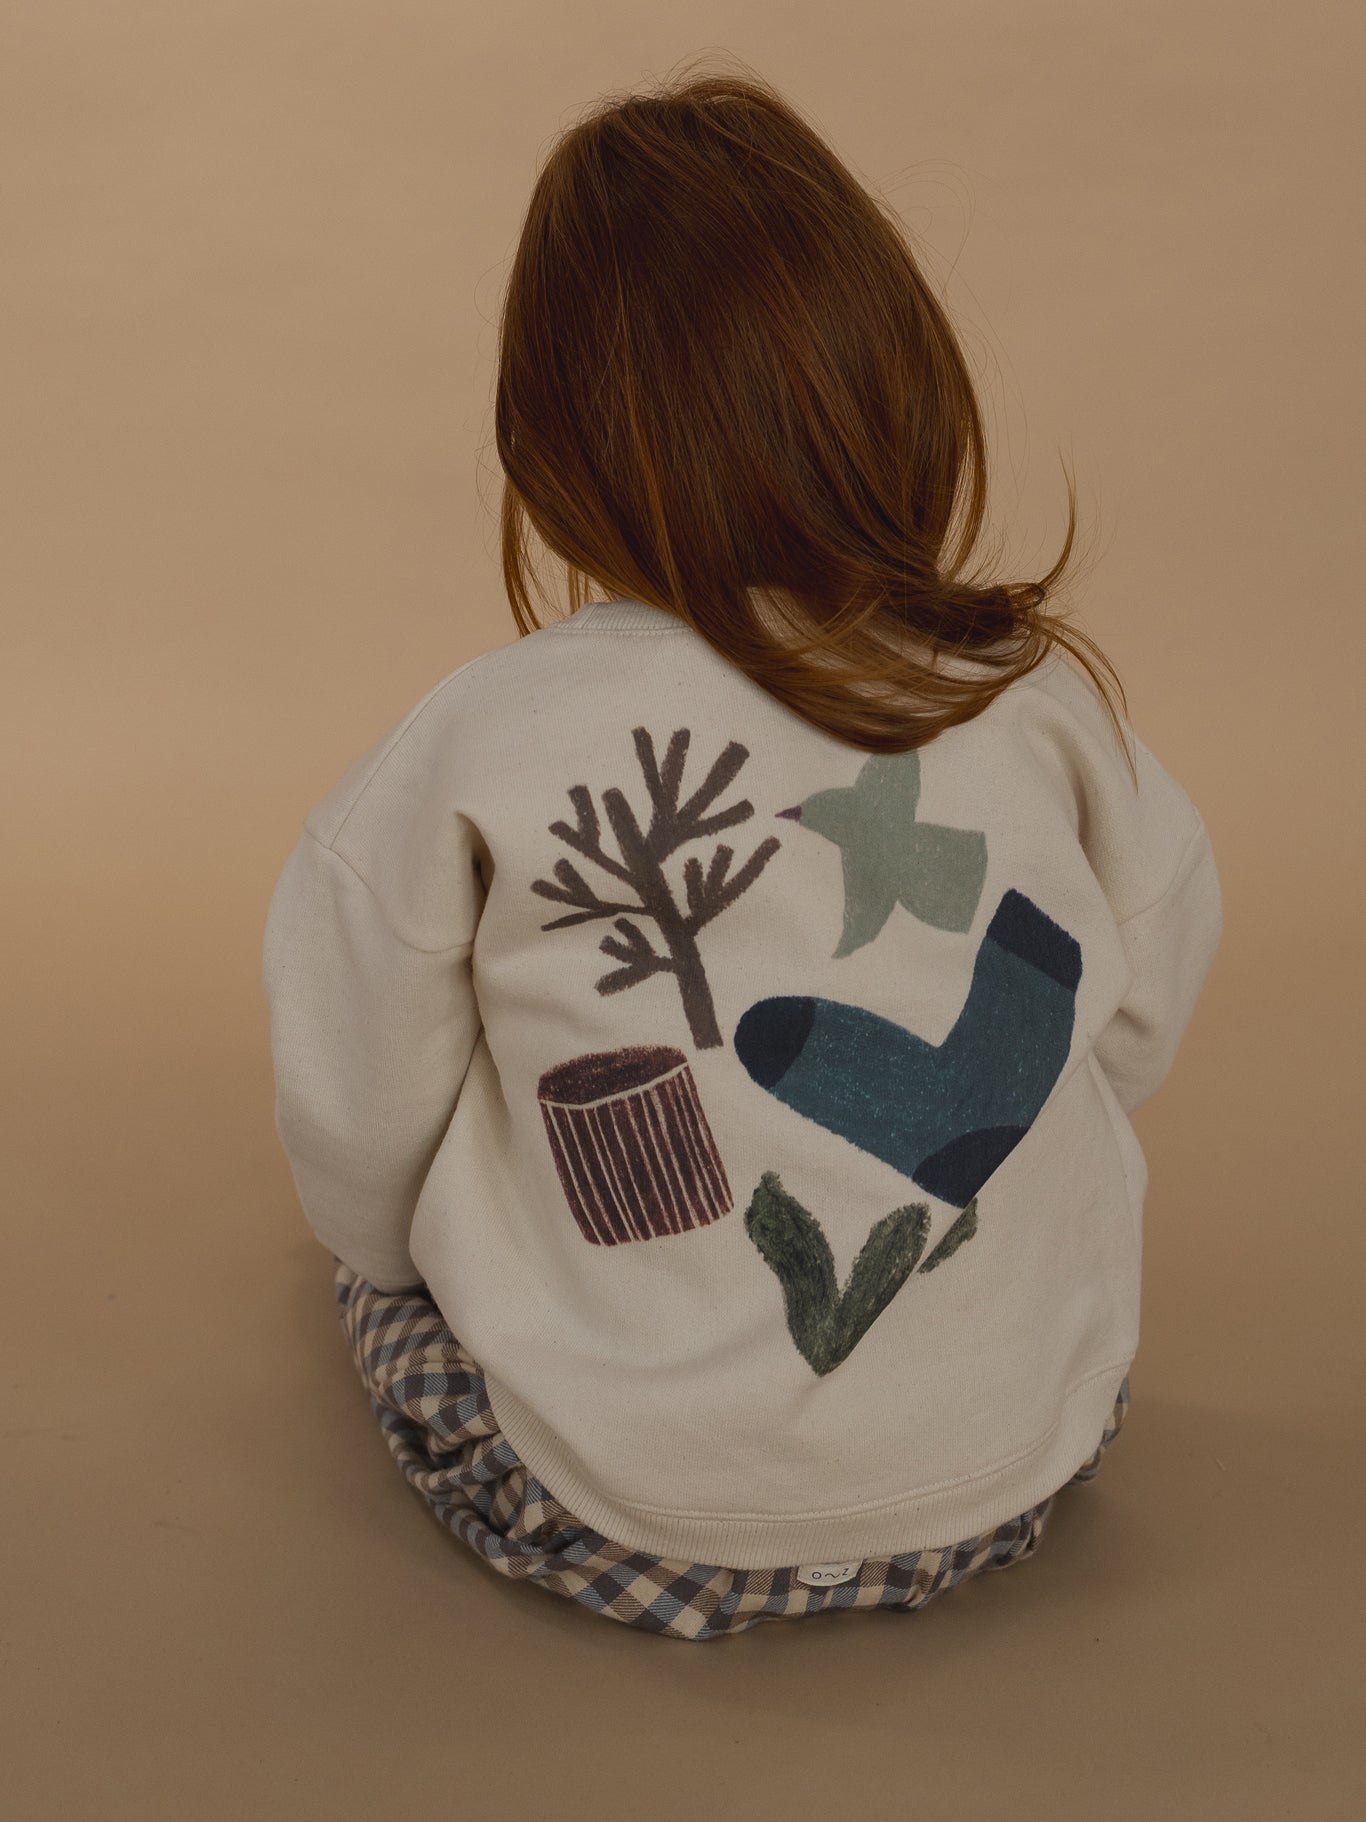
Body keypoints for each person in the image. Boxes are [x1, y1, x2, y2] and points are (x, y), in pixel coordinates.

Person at [261, 64, 1222, 1641]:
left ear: (545, 442)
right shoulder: (1031, 696)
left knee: (376, 1285)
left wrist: (384, 1256)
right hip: (1016, 1470)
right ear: (901, 387)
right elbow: (1127, 1021)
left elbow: (355, 1113)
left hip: (608, 1507)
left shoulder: (480, 735)